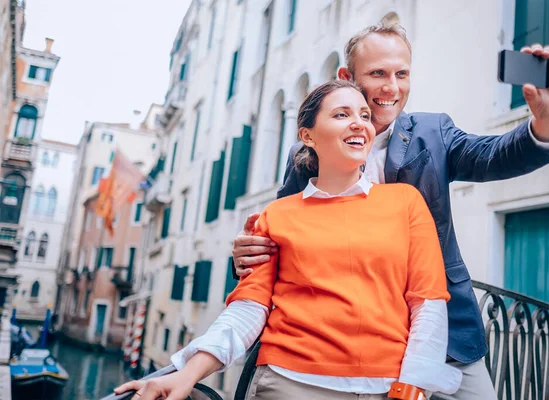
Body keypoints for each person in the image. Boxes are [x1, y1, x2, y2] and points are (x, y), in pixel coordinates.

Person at [231, 22, 549, 400]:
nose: (391, 88)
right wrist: (247, 252)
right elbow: (283, 229)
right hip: (344, 351)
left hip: (445, 339)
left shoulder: (434, 131)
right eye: (378, 73)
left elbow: (492, 156)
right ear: (347, 77)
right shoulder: (309, 154)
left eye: (401, 74)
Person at [115, 80, 462, 400]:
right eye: (342, 114)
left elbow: (428, 303)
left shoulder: (405, 201)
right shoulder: (277, 214)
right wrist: (187, 373)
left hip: (386, 388)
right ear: (307, 136)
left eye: (365, 115)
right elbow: (248, 309)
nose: (359, 123)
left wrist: (414, 386)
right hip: (286, 384)